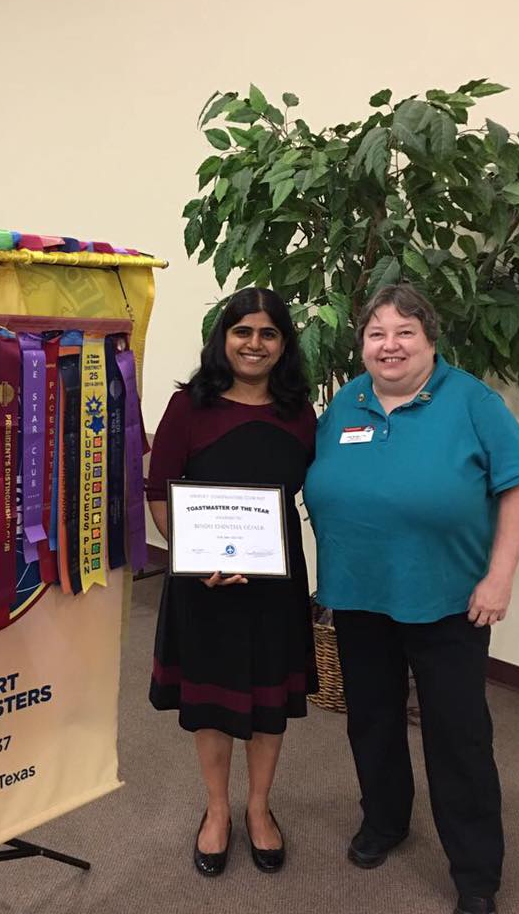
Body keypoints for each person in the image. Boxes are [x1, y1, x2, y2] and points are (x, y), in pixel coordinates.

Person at [303, 283, 519, 914]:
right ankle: (385, 822)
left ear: (430, 339)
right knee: (371, 720)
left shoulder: (473, 402)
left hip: (449, 601)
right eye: (376, 334)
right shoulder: (345, 402)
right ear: (362, 346)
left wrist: (500, 575)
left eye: (405, 332)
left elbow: (518, 485)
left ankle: (477, 875)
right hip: (358, 596)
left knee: (459, 737)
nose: (390, 345)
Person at [146, 286, 318, 876]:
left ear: (283, 344)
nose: (254, 343)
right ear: (223, 338)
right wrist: (194, 557)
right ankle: (216, 810)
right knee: (213, 704)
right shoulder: (189, 406)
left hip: (275, 584)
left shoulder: (299, 411)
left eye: (268, 333)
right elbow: (158, 492)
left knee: (268, 702)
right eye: (242, 331)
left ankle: (259, 809)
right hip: (207, 584)